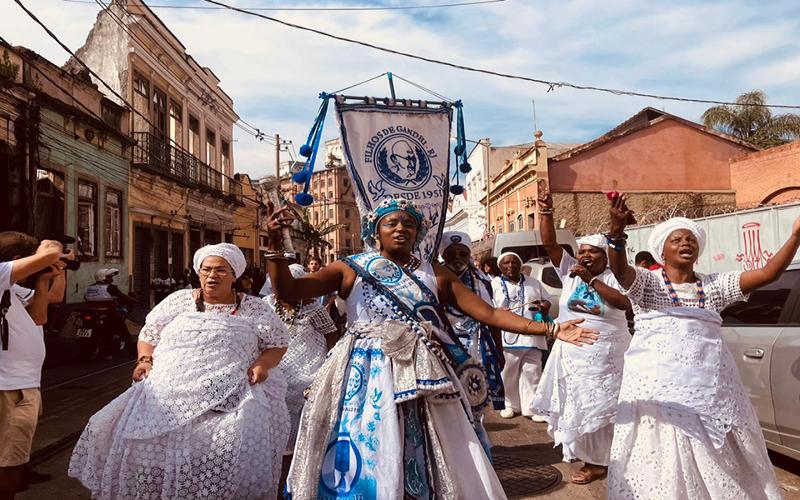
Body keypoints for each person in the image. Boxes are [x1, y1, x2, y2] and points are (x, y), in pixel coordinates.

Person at [267, 197, 598, 499]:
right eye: (391, 223)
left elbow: (489, 313)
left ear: (418, 232)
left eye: (408, 224)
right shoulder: (350, 268)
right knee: (366, 442)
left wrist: (550, 327)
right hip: (363, 375)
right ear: (375, 231)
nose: (400, 229)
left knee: (434, 444)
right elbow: (290, 289)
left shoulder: (434, 274)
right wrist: (276, 248)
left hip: (423, 372)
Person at [606, 195, 796, 499]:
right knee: (663, 462)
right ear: (662, 251)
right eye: (677, 239)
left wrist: (796, 235)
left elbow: (767, 274)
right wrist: (616, 235)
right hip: (659, 395)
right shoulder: (648, 284)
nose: (686, 243)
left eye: (691, 238)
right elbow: (620, 271)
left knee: (718, 462)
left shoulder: (715, 285)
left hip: (711, 393)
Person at [68, 243, 291, 499]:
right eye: (206, 269)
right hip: (167, 394)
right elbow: (149, 334)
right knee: (128, 441)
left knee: (226, 453)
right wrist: (145, 360)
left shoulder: (255, 308)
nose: (212, 275)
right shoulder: (178, 301)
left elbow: (276, 343)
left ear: (235, 275)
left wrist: (262, 365)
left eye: (220, 270)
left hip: (232, 397)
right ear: (198, 272)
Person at [529, 190, 632, 485]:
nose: (584, 255)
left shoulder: (617, 277)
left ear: (605, 257)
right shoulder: (570, 274)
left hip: (607, 359)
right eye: (582, 250)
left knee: (605, 410)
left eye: (592, 252)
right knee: (579, 406)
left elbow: (624, 304)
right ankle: (591, 458)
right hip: (573, 357)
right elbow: (550, 243)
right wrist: (546, 212)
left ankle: (604, 461)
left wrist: (592, 281)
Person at [0, 232, 72, 500]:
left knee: (13, 460)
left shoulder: (12, 288)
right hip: (8, 386)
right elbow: (50, 253)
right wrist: (52, 251)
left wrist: (49, 276)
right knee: (8, 462)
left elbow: (43, 311)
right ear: (19, 260)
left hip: (21, 384)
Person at [439, 231, 505, 458]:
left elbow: (492, 317)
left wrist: (499, 350)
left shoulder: (482, 281)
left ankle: (478, 451)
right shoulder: (434, 279)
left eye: (462, 253)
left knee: (476, 401)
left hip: (475, 346)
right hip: (444, 347)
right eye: (452, 253)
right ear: (443, 255)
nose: (457, 257)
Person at [265, 263, 338, 449]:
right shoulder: (266, 305)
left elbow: (331, 334)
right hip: (278, 365)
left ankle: (299, 449)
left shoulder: (313, 308)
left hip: (310, 365)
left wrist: (330, 362)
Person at [492, 252, 553, 422]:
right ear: (500, 267)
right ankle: (509, 405)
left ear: (520, 265)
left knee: (532, 372)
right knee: (508, 373)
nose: (511, 266)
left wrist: (543, 306)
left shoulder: (534, 282)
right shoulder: (493, 284)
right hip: (506, 337)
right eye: (506, 263)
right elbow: (488, 308)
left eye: (514, 262)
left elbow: (547, 300)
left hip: (533, 336)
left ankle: (531, 407)